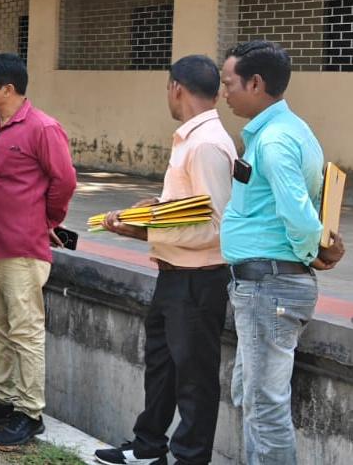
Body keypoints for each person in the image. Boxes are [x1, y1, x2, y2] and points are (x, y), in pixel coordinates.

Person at [93, 55, 237, 465]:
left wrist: (145, 230)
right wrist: (155, 208)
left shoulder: (207, 144)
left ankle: (190, 457)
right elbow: (189, 208)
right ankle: (148, 445)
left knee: (194, 377)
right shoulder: (193, 138)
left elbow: (216, 227)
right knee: (162, 366)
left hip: (198, 279)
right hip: (175, 274)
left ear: (176, 87)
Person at [218, 40, 344, 465]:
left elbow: (303, 216)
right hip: (265, 285)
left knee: (265, 405)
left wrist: (313, 252)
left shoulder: (272, 141)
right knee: (249, 395)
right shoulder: (292, 130)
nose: (225, 93)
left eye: (228, 83)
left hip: (268, 287)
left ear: (255, 83)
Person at [0, 53, 77, 448]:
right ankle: (1, 397)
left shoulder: (43, 128)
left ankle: (30, 412)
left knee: (25, 331)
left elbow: (64, 183)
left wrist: (44, 220)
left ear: (8, 89)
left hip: (23, 246)